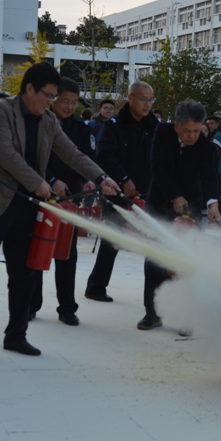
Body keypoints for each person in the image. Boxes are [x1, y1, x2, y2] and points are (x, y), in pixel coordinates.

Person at [0, 62, 120, 359]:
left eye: (54, 96)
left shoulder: (48, 120)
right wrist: (39, 182)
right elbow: (5, 154)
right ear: (29, 89)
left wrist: (100, 177)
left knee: (24, 274)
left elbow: (71, 152)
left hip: (27, 206)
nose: (51, 102)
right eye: (48, 95)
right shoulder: (0, 110)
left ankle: (16, 335)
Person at [139, 100, 221, 330]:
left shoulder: (205, 146)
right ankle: (152, 313)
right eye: (187, 131)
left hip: (190, 207)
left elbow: (209, 176)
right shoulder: (162, 132)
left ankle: (184, 316)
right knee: (155, 258)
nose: (192, 136)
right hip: (160, 202)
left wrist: (213, 203)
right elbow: (157, 167)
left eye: (197, 130)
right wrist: (174, 196)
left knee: (185, 262)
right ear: (176, 125)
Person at [29, 78, 96, 326]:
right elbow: (32, 159)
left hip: (70, 198)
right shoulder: (38, 123)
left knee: (67, 254)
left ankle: (67, 307)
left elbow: (87, 159)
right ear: (53, 99)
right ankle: (31, 304)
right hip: (41, 195)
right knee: (37, 248)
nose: (69, 107)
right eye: (64, 101)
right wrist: (51, 180)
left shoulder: (81, 129)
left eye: (74, 102)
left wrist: (88, 180)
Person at [84, 82, 159, 302]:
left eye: (150, 100)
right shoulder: (114, 125)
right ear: (131, 98)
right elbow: (104, 156)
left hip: (149, 192)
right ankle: (96, 287)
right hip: (119, 192)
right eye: (143, 99)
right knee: (113, 239)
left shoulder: (154, 125)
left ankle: (156, 296)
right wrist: (123, 178)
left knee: (155, 241)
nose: (147, 104)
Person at [206, 115, 221, 188]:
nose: (210, 126)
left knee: (215, 190)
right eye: (208, 124)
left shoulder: (217, 135)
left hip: (217, 169)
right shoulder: (211, 135)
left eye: (212, 124)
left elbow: (216, 153)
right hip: (215, 169)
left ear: (217, 125)